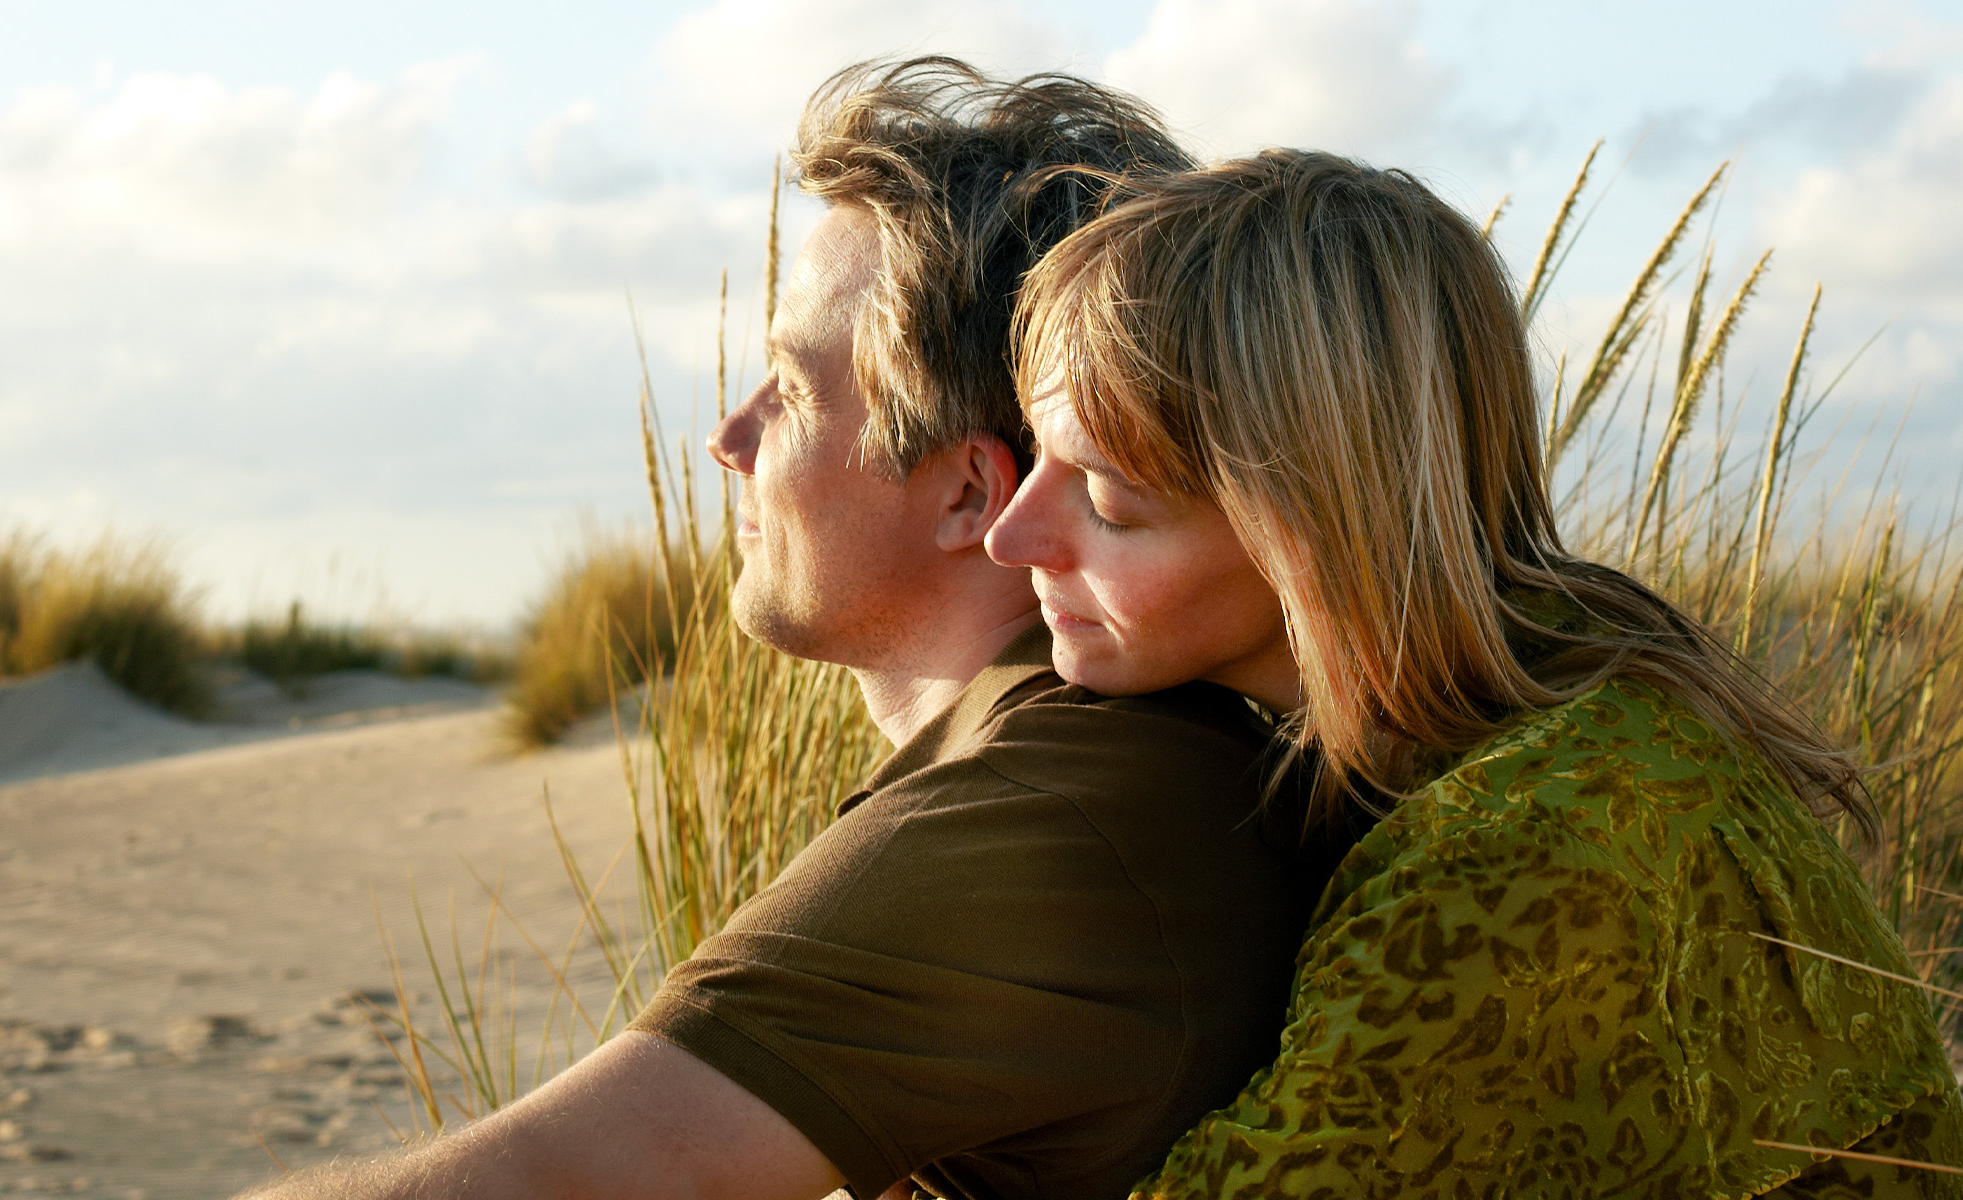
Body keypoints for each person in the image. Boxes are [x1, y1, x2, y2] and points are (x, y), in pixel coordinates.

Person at [245, 61, 1341, 1200]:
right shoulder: (1093, 756)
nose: (730, 436)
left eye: (789, 387)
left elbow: (541, 1183)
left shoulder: (1052, 815)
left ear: (971, 494)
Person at [986, 149, 1963, 1199]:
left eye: (1110, 501)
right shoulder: (1594, 714)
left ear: (1314, 525)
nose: (1014, 536)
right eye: (1035, 460)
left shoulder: (1528, 853)